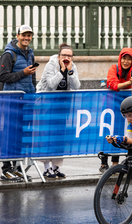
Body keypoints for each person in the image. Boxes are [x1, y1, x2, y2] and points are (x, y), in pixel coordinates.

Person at [0, 24, 38, 182]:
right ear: (17, 35)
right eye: (24, 35)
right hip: (12, 101)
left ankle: (16, 167)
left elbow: (32, 77)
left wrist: (33, 94)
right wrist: (24, 73)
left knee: (20, 135)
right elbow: (3, 77)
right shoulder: (9, 54)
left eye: (29, 35)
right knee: (9, 135)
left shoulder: (30, 53)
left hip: (25, 100)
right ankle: (6, 169)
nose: (27, 38)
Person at [36, 43, 80, 178]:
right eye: (64, 55)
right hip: (48, 105)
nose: (66, 57)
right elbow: (51, 84)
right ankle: (46, 167)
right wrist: (61, 71)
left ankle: (55, 167)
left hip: (63, 105)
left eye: (69, 55)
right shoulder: (51, 65)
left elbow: (76, 86)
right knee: (48, 135)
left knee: (60, 136)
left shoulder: (73, 66)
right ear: (59, 55)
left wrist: (70, 72)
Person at [99, 48, 132, 173]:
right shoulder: (113, 69)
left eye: (129, 59)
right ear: (120, 58)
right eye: (124, 58)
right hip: (110, 106)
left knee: (118, 132)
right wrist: (129, 82)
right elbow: (114, 85)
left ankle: (115, 163)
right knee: (107, 132)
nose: (126, 61)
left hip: (126, 108)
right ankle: (103, 163)